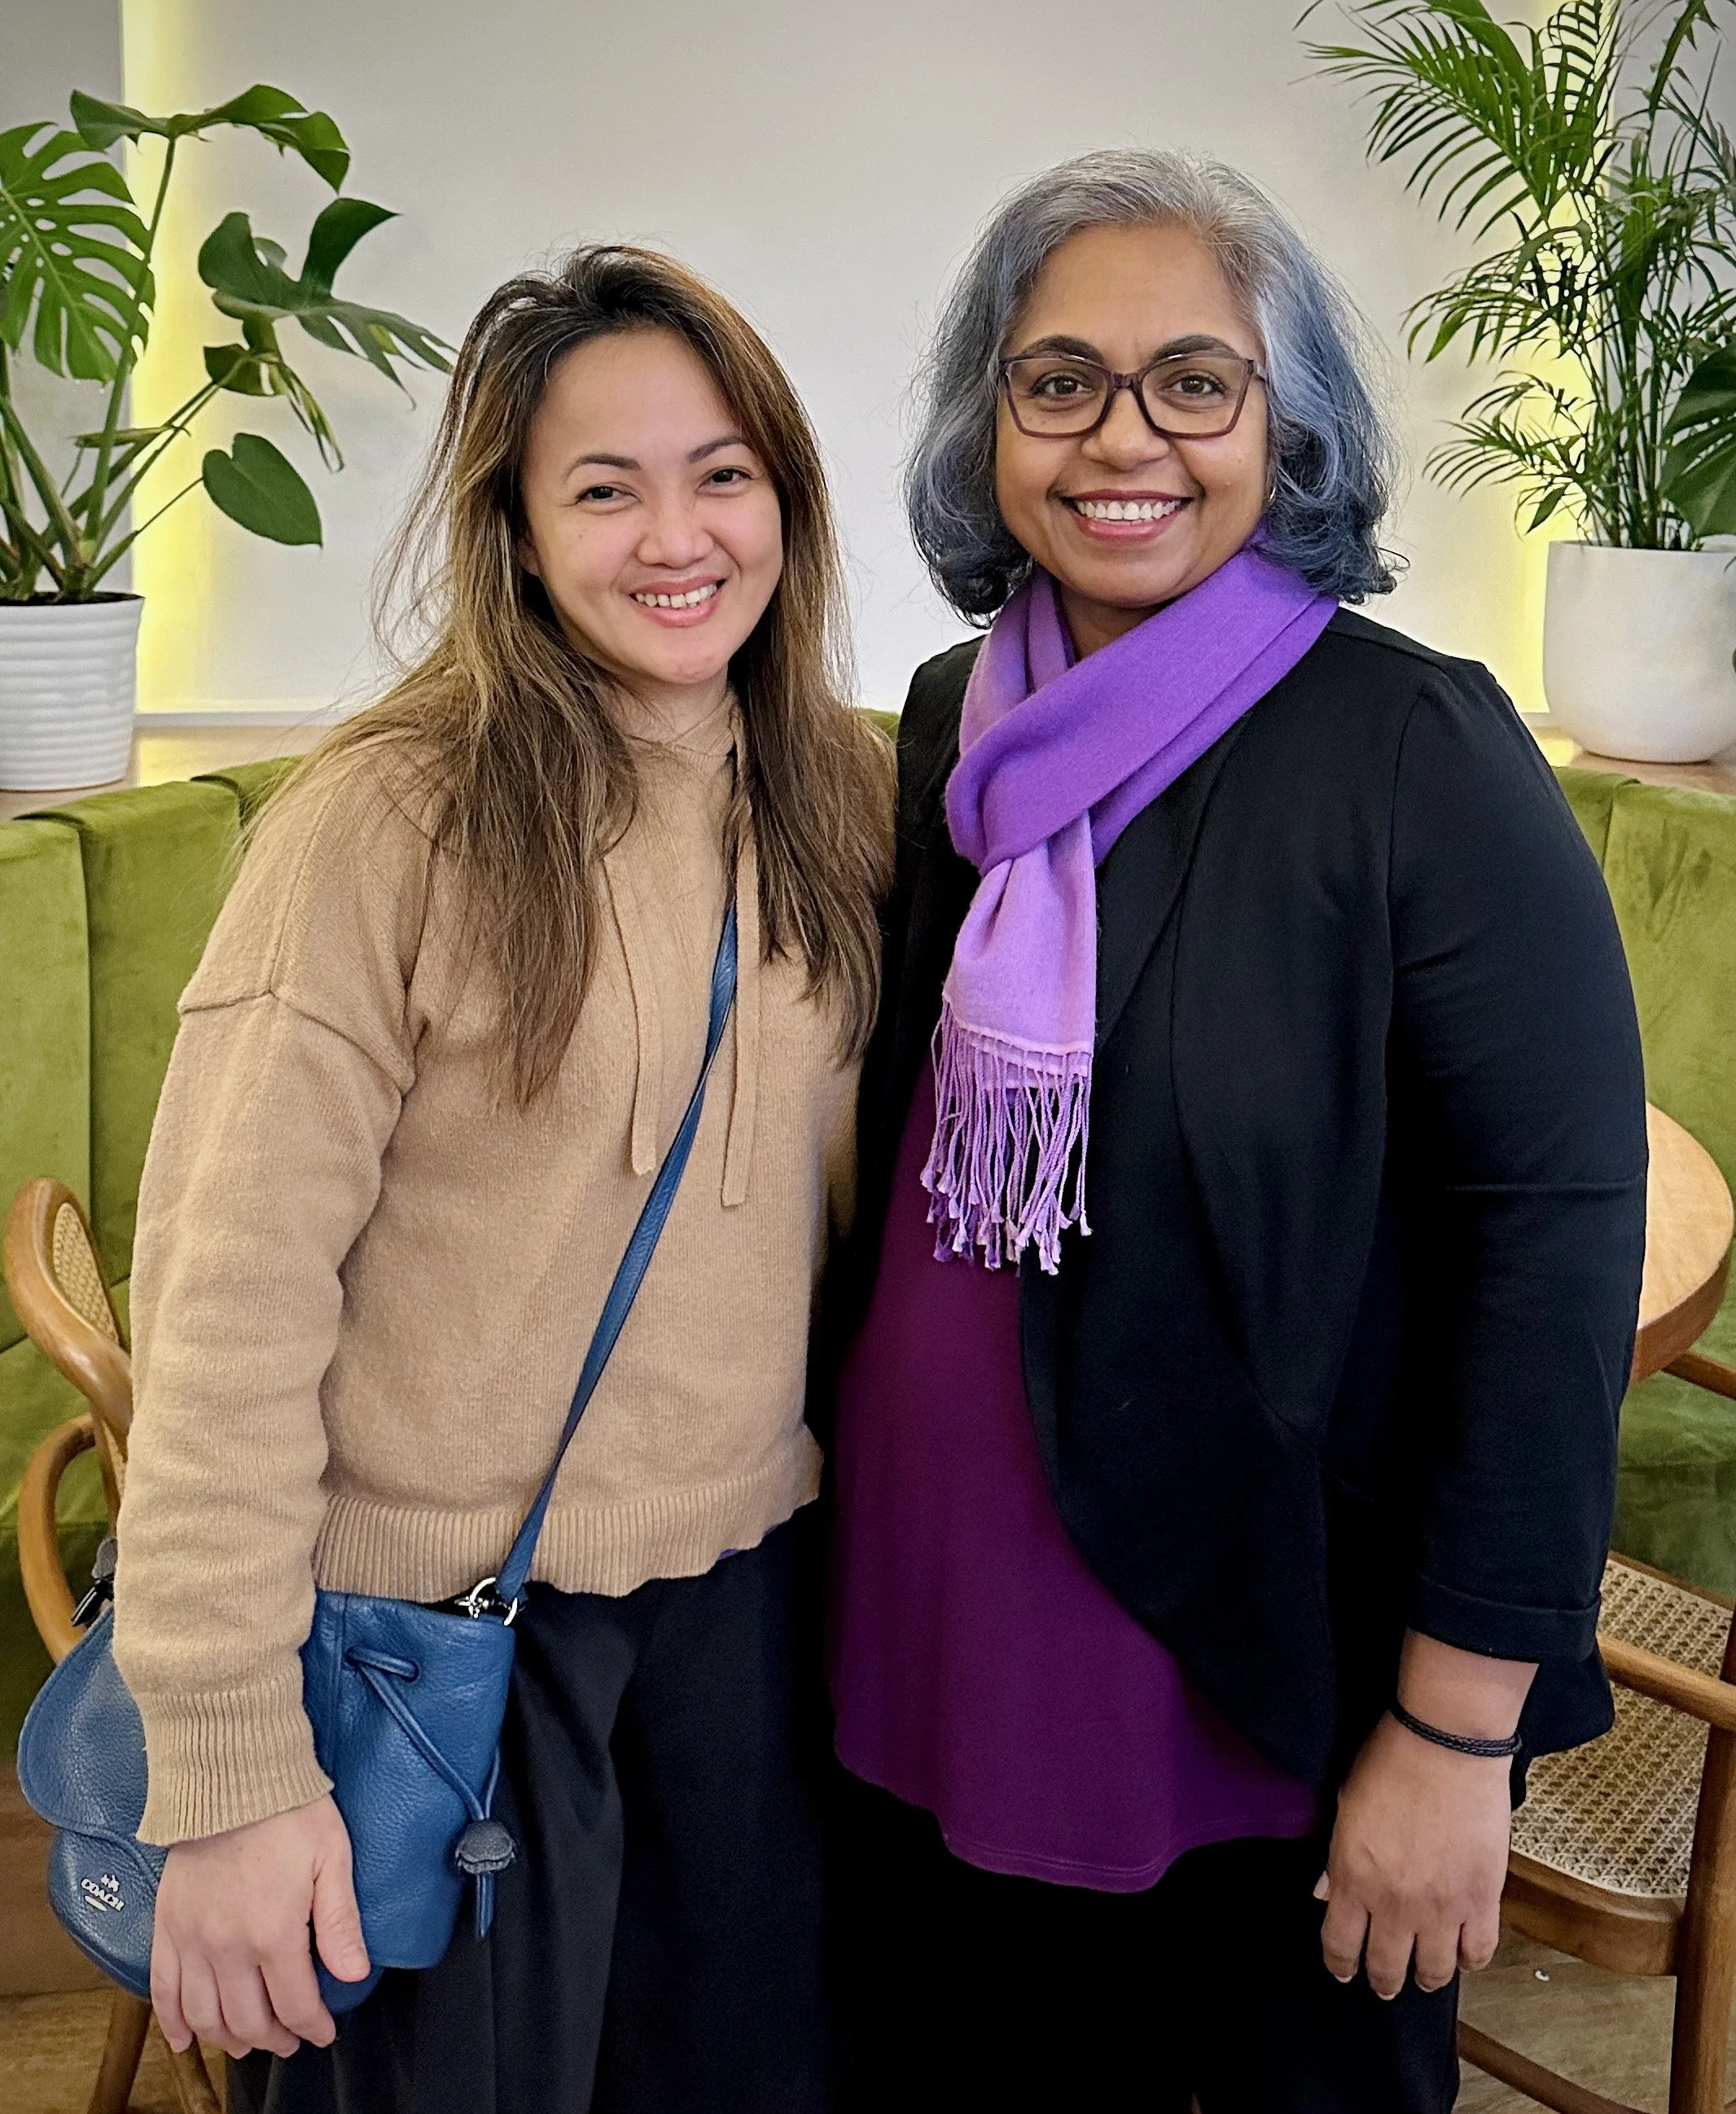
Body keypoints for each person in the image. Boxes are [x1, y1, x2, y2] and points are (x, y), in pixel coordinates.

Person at [822, 151, 1647, 2112]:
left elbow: (1550, 1248)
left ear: (1289, 431)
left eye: (1194, 382)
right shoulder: (958, 718)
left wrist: (1452, 1741)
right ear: (987, 423)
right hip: (927, 1610)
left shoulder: (1416, 751)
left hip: (1244, 1657)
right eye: (1059, 382)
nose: (1127, 439)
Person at [112, 245, 892, 2113]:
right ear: (518, 534)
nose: (673, 534)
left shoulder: (840, 799)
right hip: (431, 1641)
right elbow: (224, 1303)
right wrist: (225, 1773)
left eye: (721, 473)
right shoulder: (386, 823)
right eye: (602, 487)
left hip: (748, 1615)